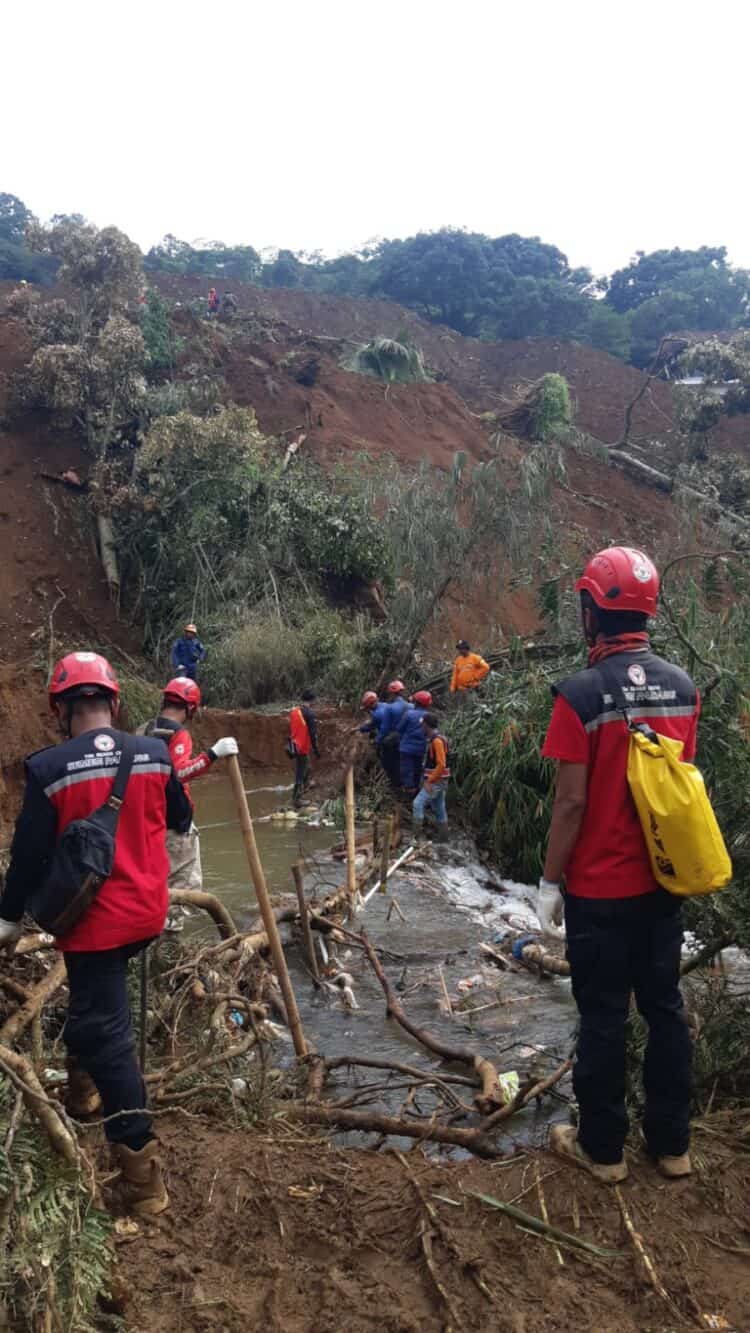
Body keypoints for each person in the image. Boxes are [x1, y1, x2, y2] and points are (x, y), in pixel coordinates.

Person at [0, 652, 193, 1215]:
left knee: (107, 1035)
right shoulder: (154, 754)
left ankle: (142, 1181)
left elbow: (29, 857)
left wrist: (9, 918)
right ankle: (82, 1093)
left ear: (62, 709)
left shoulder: (48, 769)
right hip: (148, 916)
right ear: (112, 701)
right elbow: (180, 819)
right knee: (91, 1009)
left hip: (94, 926)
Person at [539, 546, 698, 1185]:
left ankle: (603, 1152)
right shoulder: (683, 689)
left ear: (590, 609)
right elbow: (683, 788)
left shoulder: (579, 695)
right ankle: (673, 1147)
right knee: (663, 1005)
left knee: (604, 1013)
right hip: (663, 886)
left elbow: (571, 804)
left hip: (600, 893)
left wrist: (550, 882)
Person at [140, 677, 238, 929]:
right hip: (174, 825)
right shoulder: (179, 735)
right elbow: (178, 772)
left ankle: (152, 935)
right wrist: (213, 754)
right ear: (191, 708)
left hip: (148, 822)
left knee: (155, 886)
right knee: (182, 892)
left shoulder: (143, 730)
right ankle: (172, 948)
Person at [412, 712, 450, 840]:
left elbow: (441, 765)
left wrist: (429, 781)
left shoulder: (437, 741)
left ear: (426, 725)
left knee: (417, 803)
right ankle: (444, 837)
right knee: (439, 807)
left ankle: (416, 838)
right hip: (440, 780)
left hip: (436, 781)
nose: (421, 727)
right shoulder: (437, 739)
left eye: (422, 725)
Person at [289, 690, 320, 807]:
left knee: (305, 767)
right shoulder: (310, 714)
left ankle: (307, 784)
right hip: (302, 747)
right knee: (300, 773)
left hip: (294, 745)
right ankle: (296, 800)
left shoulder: (294, 711)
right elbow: (312, 734)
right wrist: (316, 750)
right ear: (312, 700)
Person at [397, 690, 432, 794]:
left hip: (406, 748)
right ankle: (416, 789)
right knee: (417, 769)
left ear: (416, 702)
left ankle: (409, 791)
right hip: (420, 748)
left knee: (407, 769)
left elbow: (399, 728)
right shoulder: (429, 716)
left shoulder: (409, 714)